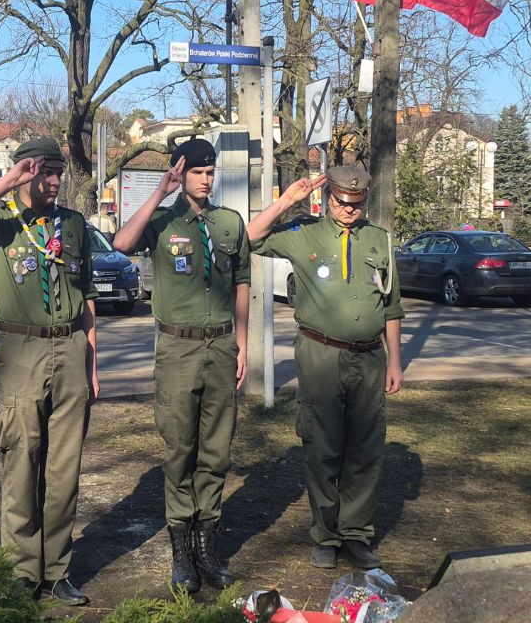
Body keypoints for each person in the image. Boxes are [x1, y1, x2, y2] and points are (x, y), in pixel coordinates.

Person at [0, 137, 98, 606]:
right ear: (25, 173)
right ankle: (21, 569)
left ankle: (57, 570)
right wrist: (9, 181)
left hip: (70, 347)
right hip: (21, 350)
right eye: (43, 173)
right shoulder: (0, 226)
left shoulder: (73, 225)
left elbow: (87, 294)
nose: (53, 182)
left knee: (63, 466)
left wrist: (91, 359)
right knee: (22, 458)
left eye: (58, 173)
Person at [246, 163, 404, 570]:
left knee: (366, 448)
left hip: (369, 357)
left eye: (356, 204)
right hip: (320, 355)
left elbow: (391, 307)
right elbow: (250, 237)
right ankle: (326, 534)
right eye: (341, 202)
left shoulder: (380, 240)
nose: (349, 210)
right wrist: (286, 200)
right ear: (327, 197)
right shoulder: (304, 234)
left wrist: (395, 362)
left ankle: (356, 533)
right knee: (323, 446)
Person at [113, 137, 250, 594]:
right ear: (182, 173)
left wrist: (243, 345)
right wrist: (160, 190)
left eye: (210, 173)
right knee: (179, 449)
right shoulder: (164, 221)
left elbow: (242, 283)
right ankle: (181, 549)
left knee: (216, 451)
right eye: (197, 172)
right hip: (177, 349)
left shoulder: (229, 223)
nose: (206, 180)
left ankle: (207, 547)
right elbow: (121, 242)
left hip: (222, 346)